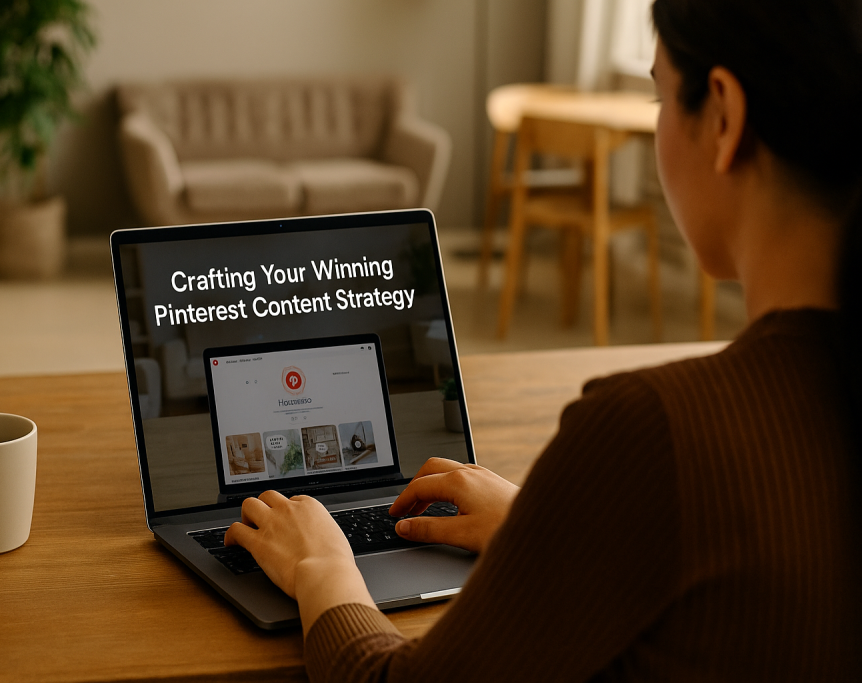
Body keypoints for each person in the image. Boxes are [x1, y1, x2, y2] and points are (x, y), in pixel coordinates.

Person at [223, 0, 862, 679]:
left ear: (725, 118)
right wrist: (549, 527)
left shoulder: (652, 432)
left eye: (659, 95)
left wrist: (323, 565)